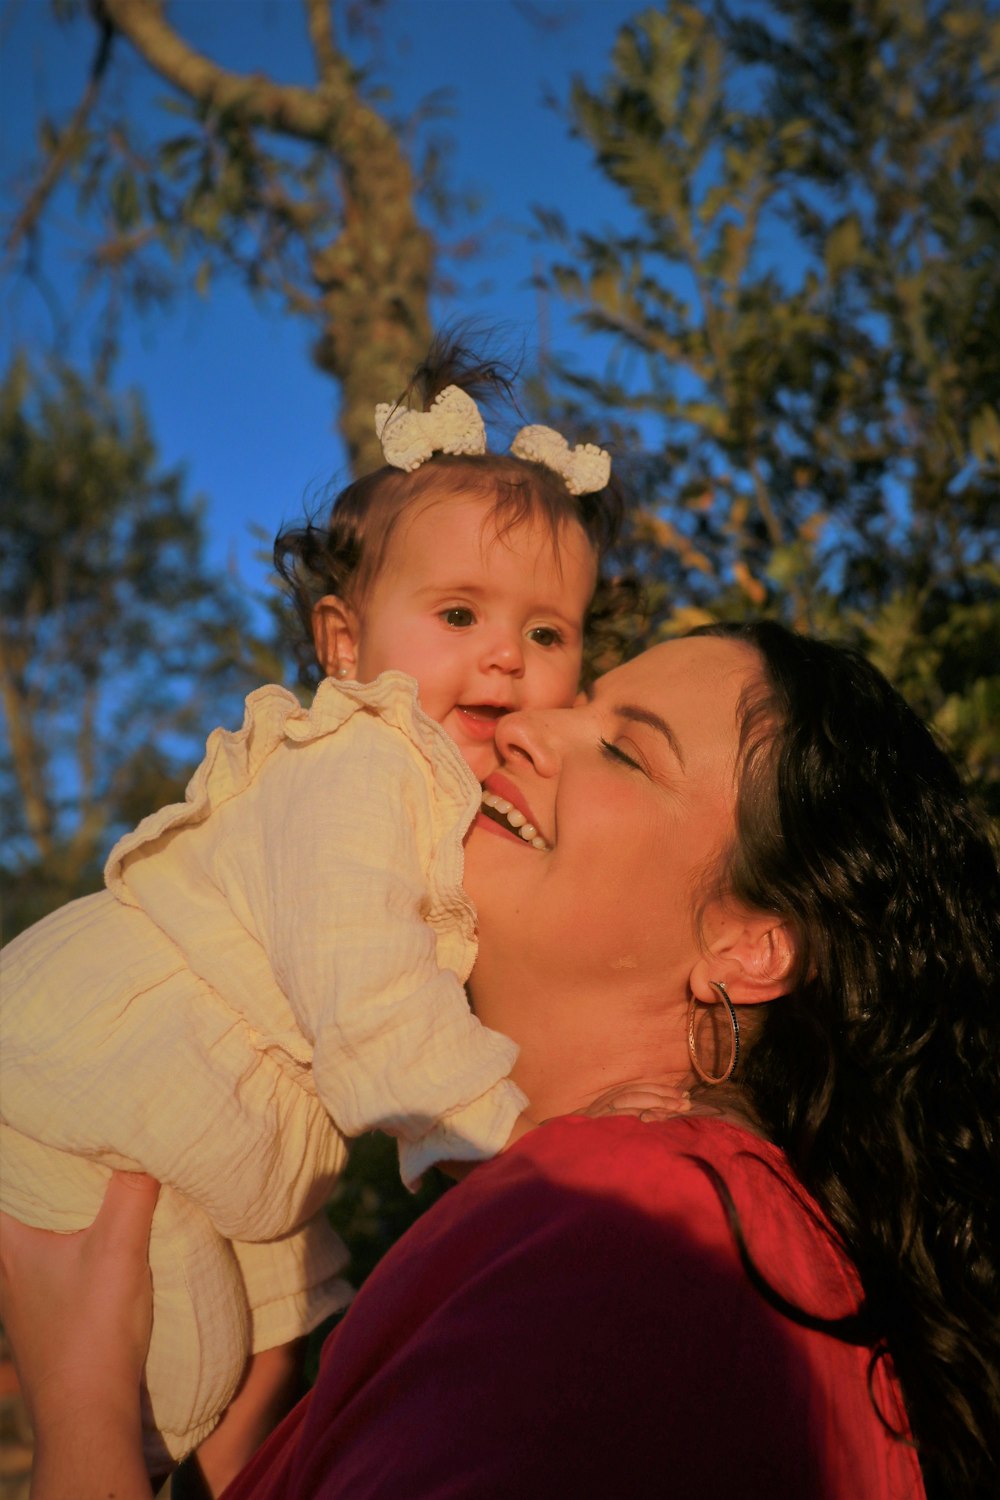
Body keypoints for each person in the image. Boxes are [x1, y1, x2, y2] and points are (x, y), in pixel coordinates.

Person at [3, 622, 997, 1499]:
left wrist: (84, 1409)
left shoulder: (632, 1234)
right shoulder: (651, 1222)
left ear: (750, 947)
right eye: (577, 703)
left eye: (623, 751)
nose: (524, 723)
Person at [0, 342, 626, 1482]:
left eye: (548, 634)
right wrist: (510, 1147)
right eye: (457, 612)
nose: (506, 654)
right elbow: (372, 992)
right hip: (117, 1071)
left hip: (239, 1109)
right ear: (345, 644)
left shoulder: (456, 790)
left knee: (280, 1350)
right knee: (177, 1380)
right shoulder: (359, 764)